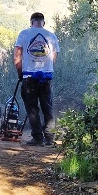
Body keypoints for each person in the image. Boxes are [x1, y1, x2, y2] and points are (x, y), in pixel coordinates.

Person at [13, 12, 60, 146]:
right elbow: (54, 57)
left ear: (31, 22)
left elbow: (17, 57)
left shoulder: (24, 34)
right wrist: (45, 68)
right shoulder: (51, 36)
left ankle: (38, 138)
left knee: (32, 108)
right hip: (46, 77)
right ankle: (49, 139)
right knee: (48, 108)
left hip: (29, 77)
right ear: (43, 22)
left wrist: (20, 73)